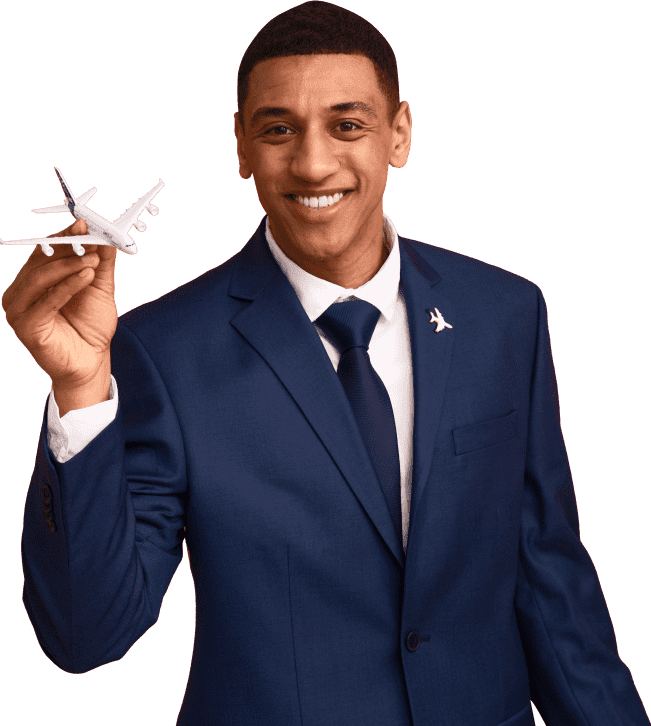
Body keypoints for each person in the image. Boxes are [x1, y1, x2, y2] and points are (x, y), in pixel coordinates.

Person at [2, 2, 649, 725]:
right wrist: (81, 387)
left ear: (398, 134)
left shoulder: (505, 314)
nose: (312, 162)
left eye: (348, 125)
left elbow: (550, 583)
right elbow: (86, 635)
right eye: (278, 129)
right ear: (242, 147)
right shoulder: (162, 350)